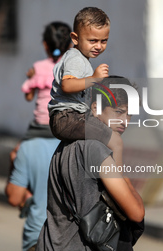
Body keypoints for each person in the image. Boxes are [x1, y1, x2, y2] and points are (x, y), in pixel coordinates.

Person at [36, 76, 145, 251]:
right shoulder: (95, 150)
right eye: (119, 112)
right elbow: (136, 212)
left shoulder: (65, 145)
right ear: (95, 108)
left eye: (130, 114)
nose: (125, 121)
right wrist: (120, 164)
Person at [48, 7, 125, 171]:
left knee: (106, 129)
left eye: (104, 41)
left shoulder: (82, 60)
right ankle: (118, 181)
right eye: (93, 40)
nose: (99, 46)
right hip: (67, 118)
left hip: (72, 116)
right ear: (75, 38)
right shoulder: (75, 59)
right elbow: (67, 85)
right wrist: (94, 79)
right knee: (115, 140)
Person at [6, 137, 60, 251]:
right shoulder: (89, 145)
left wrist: (13, 164)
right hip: (76, 241)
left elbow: (14, 198)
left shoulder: (28, 147)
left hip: (38, 236)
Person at [22, 21, 72, 140]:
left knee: (15, 154)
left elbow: (28, 98)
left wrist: (31, 78)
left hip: (40, 127)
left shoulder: (37, 67)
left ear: (45, 45)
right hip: (64, 125)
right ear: (70, 45)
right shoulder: (70, 68)